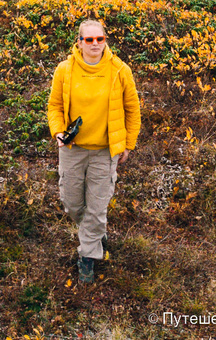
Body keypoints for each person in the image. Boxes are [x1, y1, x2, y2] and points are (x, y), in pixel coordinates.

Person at [47, 18, 141, 284]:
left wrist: (128, 144)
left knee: (97, 208)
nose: (95, 44)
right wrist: (58, 132)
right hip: (72, 150)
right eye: (89, 39)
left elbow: (133, 110)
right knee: (73, 203)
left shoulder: (120, 70)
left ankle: (87, 257)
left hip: (105, 151)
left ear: (104, 40)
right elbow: (54, 107)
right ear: (79, 42)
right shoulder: (65, 70)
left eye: (99, 39)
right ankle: (96, 233)